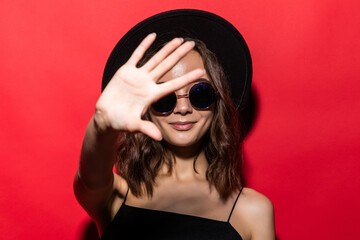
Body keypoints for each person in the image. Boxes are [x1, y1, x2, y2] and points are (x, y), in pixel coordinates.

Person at [74, 9, 275, 240]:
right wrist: (102, 123)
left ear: (218, 103)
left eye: (199, 93)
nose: (182, 108)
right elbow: (89, 178)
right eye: (164, 97)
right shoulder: (117, 194)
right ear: (146, 107)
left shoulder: (252, 211)